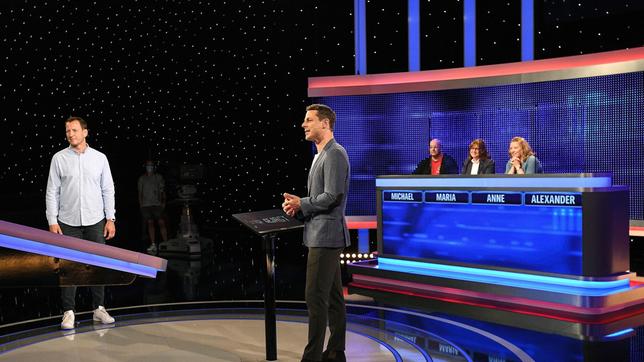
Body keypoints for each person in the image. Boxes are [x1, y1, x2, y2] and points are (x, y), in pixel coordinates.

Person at [282, 104, 350, 362]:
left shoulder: (335, 154)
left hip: (326, 237)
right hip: (320, 234)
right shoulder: (320, 154)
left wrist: (303, 203)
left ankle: (311, 357)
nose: (303, 124)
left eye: (309, 120)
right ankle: (335, 350)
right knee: (332, 298)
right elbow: (320, 197)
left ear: (325, 123)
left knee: (315, 299)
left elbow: (333, 196)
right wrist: (298, 207)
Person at [45, 116, 116, 330]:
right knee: (69, 267)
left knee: (98, 264)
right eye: (67, 130)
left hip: (95, 220)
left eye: (74, 130)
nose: (70, 134)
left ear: (85, 132)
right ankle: (68, 312)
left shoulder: (100, 158)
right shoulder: (58, 158)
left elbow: (108, 189)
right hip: (68, 222)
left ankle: (99, 308)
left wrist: (110, 218)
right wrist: (52, 220)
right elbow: (52, 191)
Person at [138, 160, 167, 254]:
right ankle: (153, 244)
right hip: (146, 205)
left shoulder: (158, 177)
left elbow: (162, 191)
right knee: (150, 223)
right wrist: (141, 205)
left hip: (157, 204)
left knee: (161, 222)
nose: (149, 167)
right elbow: (140, 193)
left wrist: (163, 202)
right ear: (145, 166)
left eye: (151, 165)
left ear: (154, 167)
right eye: (148, 165)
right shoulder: (141, 178)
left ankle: (166, 243)